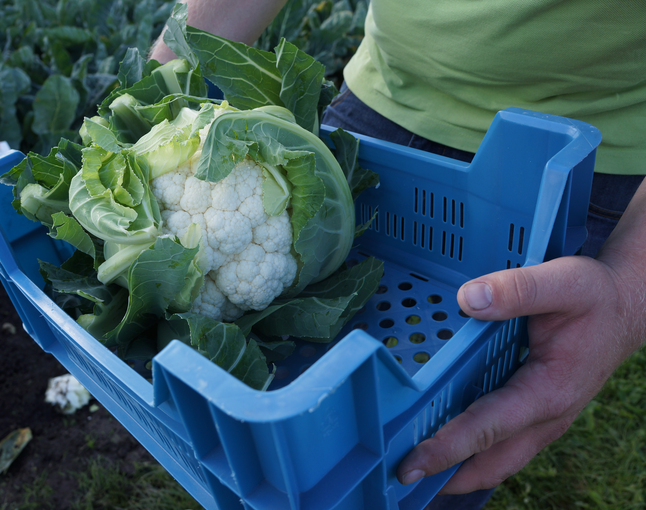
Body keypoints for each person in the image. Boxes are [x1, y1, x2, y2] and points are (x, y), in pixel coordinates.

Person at [150, 1, 646, 508]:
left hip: (572, 161)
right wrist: (156, 82)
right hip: (375, 101)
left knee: (446, 449)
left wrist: (630, 292)